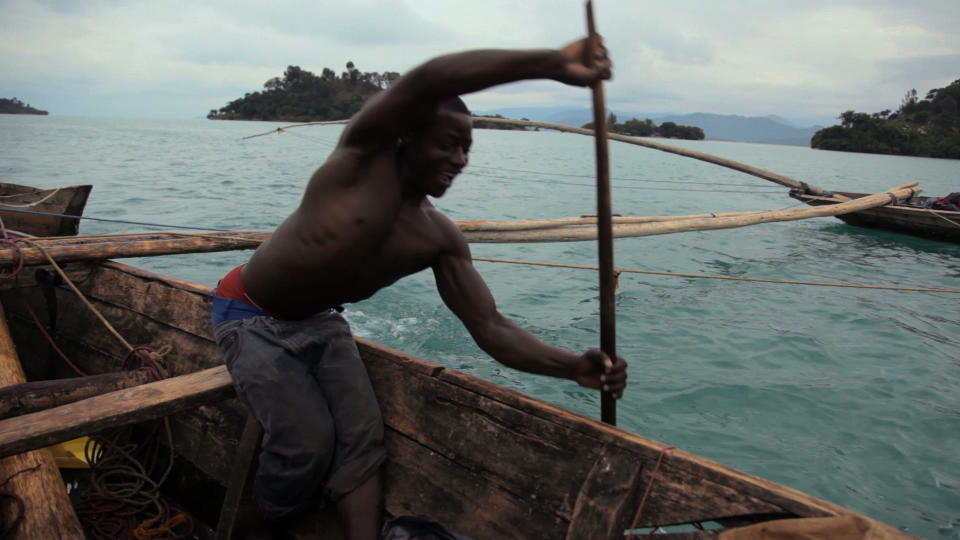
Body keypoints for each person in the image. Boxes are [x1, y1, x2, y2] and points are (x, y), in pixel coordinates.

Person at [210, 36, 627, 540]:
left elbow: (489, 326)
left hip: (322, 321)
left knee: (364, 441)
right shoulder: (357, 162)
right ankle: (270, 526)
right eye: (448, 143)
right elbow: (430, 80)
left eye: (468, 147)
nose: (461, 158)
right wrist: (551, 61)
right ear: (406, 138)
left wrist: (573, 367)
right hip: (251, 315)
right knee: (307, 444)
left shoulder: (438, 237)